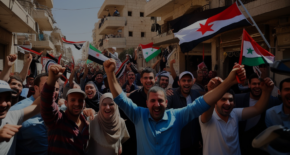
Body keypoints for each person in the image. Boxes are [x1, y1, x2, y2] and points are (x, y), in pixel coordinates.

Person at [104, 58, 246, 154]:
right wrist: (110, 74)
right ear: (146, 103)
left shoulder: (176, 116)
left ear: (166, 102)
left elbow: (202, 103)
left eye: (160, 100)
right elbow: (120, 98)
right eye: (152, 101)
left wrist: (229, 82)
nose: (157, 104)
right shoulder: (139, 115)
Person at [199, 75, 274, 155]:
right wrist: (211, 91)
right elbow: (208, 103)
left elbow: (258, 109)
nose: (227, 103)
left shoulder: (234, 114)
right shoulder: (208, 117)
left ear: (234, 104)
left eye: (230, 100)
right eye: (223, 99)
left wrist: (267, 91)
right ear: (215, 102)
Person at [40, 64, 94, 155]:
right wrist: (51, 80)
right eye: (73, 100)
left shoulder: (87, 125)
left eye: (80, 100)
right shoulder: (57, 120)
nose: (77, 103)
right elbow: (47, 105)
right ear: (66, 103)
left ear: (84, 103)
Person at [0, 79, 42, 155]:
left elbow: (36, 106)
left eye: (8, 98)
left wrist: (52, 80)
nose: (4, 104)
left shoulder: (12, 116)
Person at [234, 73, 281, 155]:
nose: (257, 86)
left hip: (264, 147)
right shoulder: (237, 99)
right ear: (249, 85)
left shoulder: (273, 101)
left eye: (259, 84)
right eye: (254, 84)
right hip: (242, 144)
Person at [9, 73, 52, 155]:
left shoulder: (55, 108)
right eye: (47, 86)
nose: (51, 90)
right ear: (36, 88)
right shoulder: (17, 109)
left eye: (55, 88)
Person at [167, 71, 202, 155]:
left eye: (189, 80)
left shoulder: (196, 94)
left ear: (193, 82)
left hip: (194, 142)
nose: (186, 83)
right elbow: (165, 112)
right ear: (179, 82)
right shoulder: (171, 94)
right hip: (177, 143)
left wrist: (200, 138)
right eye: (184, 80)